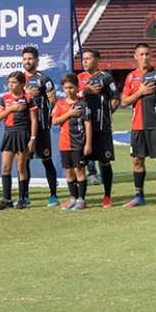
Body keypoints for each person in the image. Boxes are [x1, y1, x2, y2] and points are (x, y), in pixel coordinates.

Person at [120, 43, 156, 209]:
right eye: (141, 54)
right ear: (135, 57)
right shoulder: (131, 77)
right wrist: (140, 93)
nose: (145, 57)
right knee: (137, 160)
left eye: (147, 54)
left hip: (155, 125)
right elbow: (124, 102)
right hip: (137, 126)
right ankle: (139, 196)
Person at [77, 48, 120, 208]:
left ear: (96, 60)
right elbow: (71, 97)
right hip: (82, 128)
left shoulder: (106, 77)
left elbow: (116, 98)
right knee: (80, 163)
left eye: (88, 58)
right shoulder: (79, 78)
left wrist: (107, 114)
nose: (85, 61)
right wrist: (85, 91)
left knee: (104, 162)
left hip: (102, 128)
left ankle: (107, 196)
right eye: (84, 59)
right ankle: (80, 198)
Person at [22, 46, 59, 207]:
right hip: (23, 127)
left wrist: (49, 117)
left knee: (46, 159)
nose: (27, 62)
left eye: (30, 59)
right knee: (24, 162)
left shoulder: (44, 79)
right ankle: (24, 196)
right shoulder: (18, 78)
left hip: (42, 126)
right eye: (24, 59)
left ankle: (53, 196)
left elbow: (53, 101)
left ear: (37, 60)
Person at [0, 71, 37, 210]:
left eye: (14, 83)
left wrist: (32, 138)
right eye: (9, 82)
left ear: (22, 84)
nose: (10, 85)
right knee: (5, 167)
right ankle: (6, 200)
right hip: (9, 134)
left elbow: (34, 120)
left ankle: (22, 198)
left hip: (22, 133)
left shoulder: (28, 98)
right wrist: (11, 109)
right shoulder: (5, 98)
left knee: (21, 167)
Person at [52, 74, 92, 211]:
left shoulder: (82, 104)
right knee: (69, 172)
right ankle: (73, 198)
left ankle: (82, 200)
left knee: (79, 171)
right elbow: (54, 121)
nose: (69, 90)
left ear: (77, 87)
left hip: (78, 143)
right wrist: (69, 113)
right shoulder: (60, 103)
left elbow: (88, 124)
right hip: (64, 144)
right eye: (66, 88)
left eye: (71, 87)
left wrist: (88, 144)